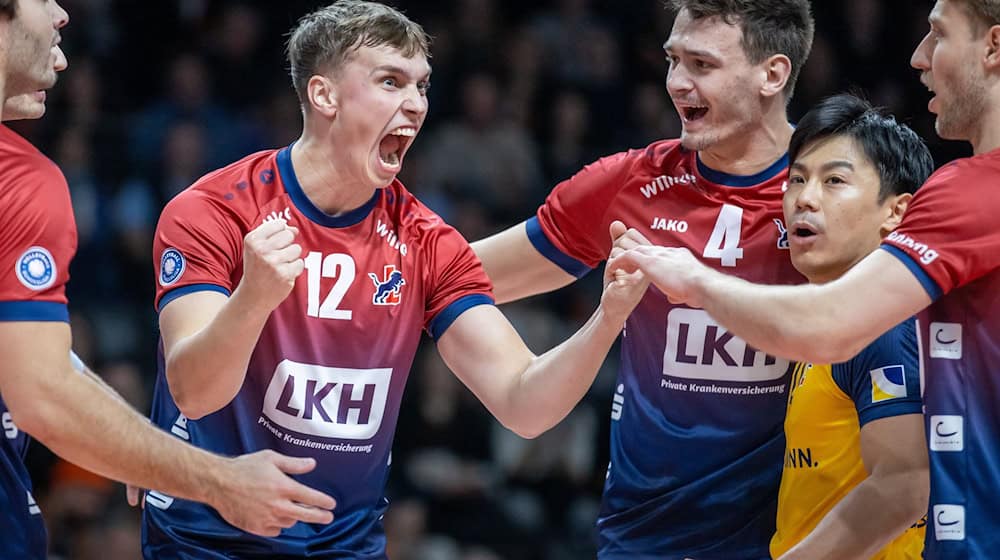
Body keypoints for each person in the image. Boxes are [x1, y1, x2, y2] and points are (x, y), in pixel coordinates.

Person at [142, 1, 645, 557]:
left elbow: (524, 404)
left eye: (422, 86)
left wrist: (607, 319)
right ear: (324, 95)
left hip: (344, 544)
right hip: (206, 541)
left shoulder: (428, 241)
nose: (414, 104)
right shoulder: (215, 210)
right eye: (390, 82)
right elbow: (194, 391)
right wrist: (253, 299)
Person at [608, 1, 1000, 557]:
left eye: (937, 33)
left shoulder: (959, 211)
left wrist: (692, 278)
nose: (919, 57)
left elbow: (901, 483)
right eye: (796, 180)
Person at [471, 0, 814, 557]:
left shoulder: (831, 191)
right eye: (672, 60)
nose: (677, 83)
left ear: (772, 74)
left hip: (792, 534)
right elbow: (457, 277)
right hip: (645, 534)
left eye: (701, 65)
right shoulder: (628, 184)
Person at [0, 1, 339, 558]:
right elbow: (41, 394)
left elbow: (25, 354)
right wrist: (218, 482)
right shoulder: (21, 179)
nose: (62, 14)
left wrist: (137, 445)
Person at [761, 94, 931, 560]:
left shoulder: (883, 325)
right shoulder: (836, 320)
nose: (804, 198)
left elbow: (902, 489)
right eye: (797, 180)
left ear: (896, 212)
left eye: (834, 180)